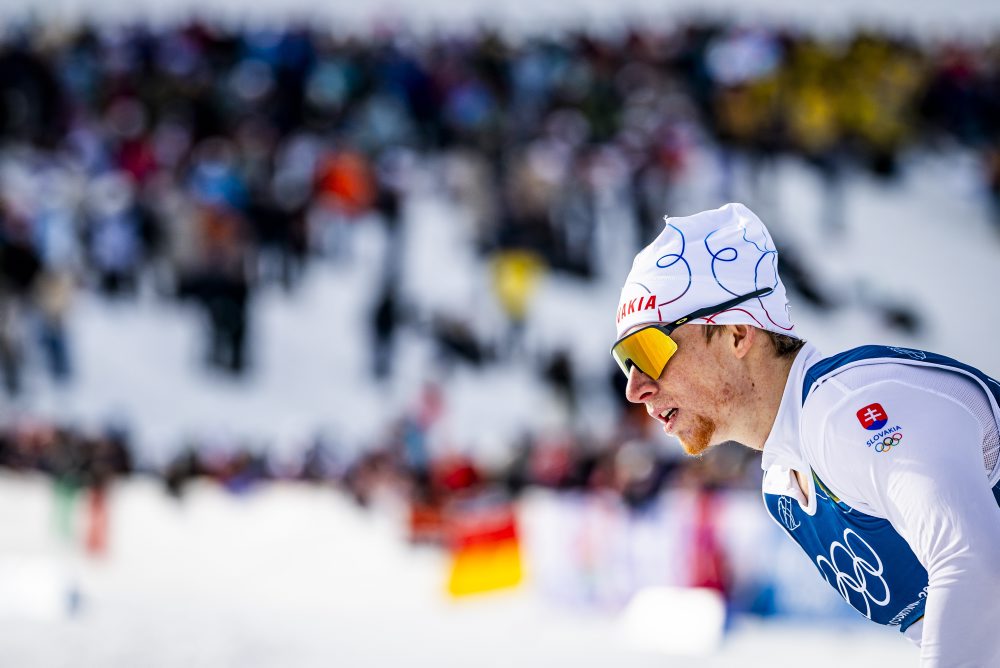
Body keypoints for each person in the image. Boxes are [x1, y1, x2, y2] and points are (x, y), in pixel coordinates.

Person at [610, 203, 1000, 666]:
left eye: (649, 350)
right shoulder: (784, 486)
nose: (635, 387)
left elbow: (977, 565)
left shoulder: (851, 410)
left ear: (737, 333)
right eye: (625, 358)